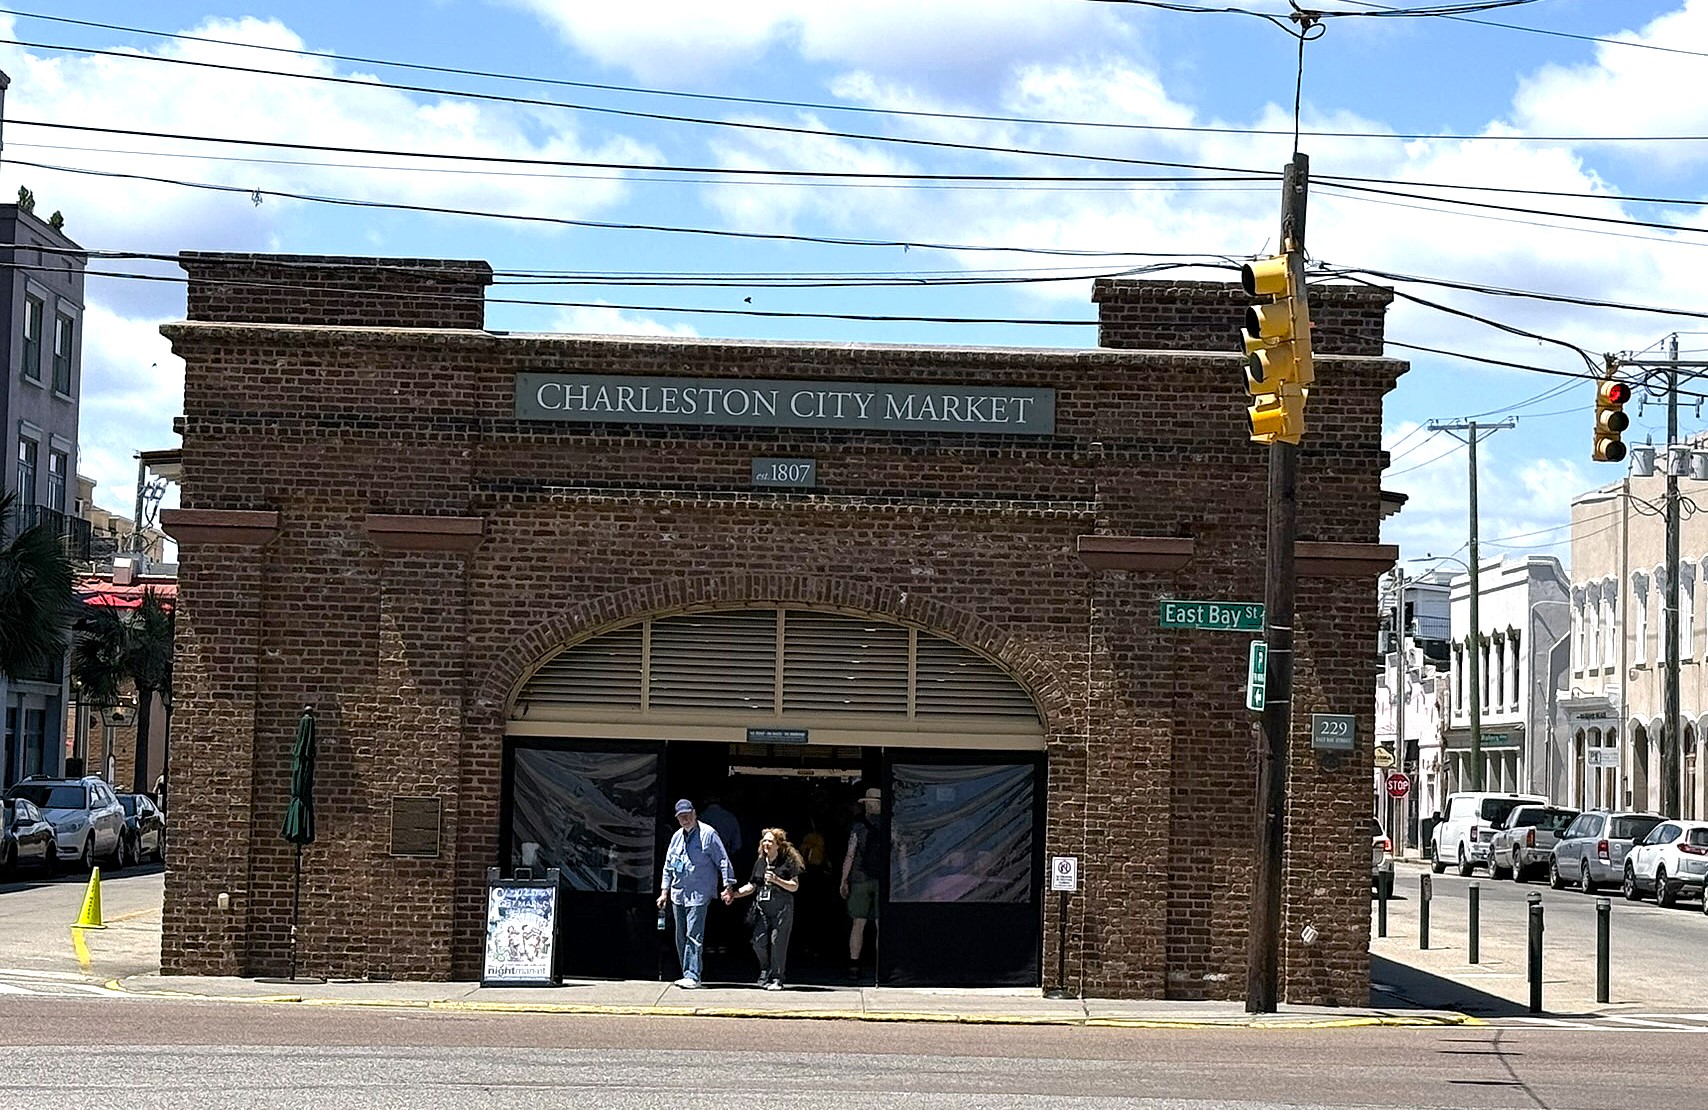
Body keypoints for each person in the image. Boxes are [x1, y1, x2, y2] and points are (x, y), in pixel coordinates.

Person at [656, 798, 735, 989]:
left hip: (699, 893)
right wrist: (664, 891)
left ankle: (693, 975)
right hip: (678, 893)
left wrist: (728, 885)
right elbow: (668, 866)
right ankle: (686, 973)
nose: (685, 819)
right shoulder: (676, 837)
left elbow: (723, 860)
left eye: (687, 815)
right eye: (681, 817)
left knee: (694, 934)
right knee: (680, 935)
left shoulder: (708, 834)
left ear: (694, 813)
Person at [734, 827, 803, 990]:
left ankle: (777, 978)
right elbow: (752, 885)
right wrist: (734, 894)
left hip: (782, 906)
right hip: (763, 907)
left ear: (778, 844)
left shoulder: (787, 861)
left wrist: (777, 880)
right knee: (758, 941)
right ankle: (765, 969)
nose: (766, 844)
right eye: (764, 840)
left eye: (770, 841)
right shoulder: (760, 862)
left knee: (777, 942)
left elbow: (794, 886)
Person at [839, 786, 885, 980]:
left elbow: (850, 854)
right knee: (881, 924)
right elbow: (900, 851)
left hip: (859, 879)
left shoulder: (858, 826)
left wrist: (844, 879)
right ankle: (881, 967)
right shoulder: (890, 824)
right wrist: (904, 879)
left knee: (858, 923)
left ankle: (854, 965)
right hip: (883, 879)